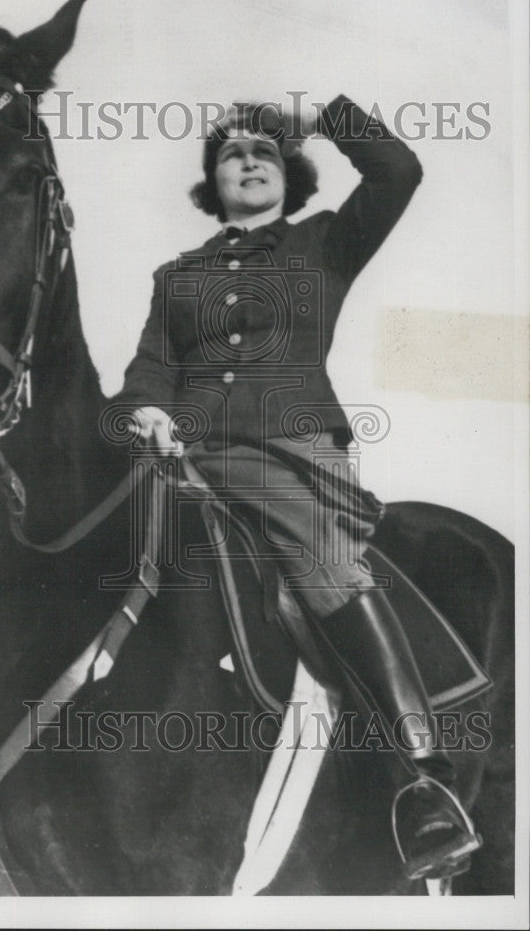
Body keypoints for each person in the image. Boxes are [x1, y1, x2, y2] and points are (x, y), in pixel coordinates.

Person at [118, 95, 481, 880]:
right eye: (229, 155)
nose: (246, 162)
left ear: (288, 174)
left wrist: (318, 116)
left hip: (290, 457)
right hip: (185, 458)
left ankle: (424, 782)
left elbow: (397, 169)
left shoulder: (325, 245)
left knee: (323, 567)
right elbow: (148, 370)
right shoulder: (175, 277)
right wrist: (145, 409)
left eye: (264, 154)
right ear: (210, 181)